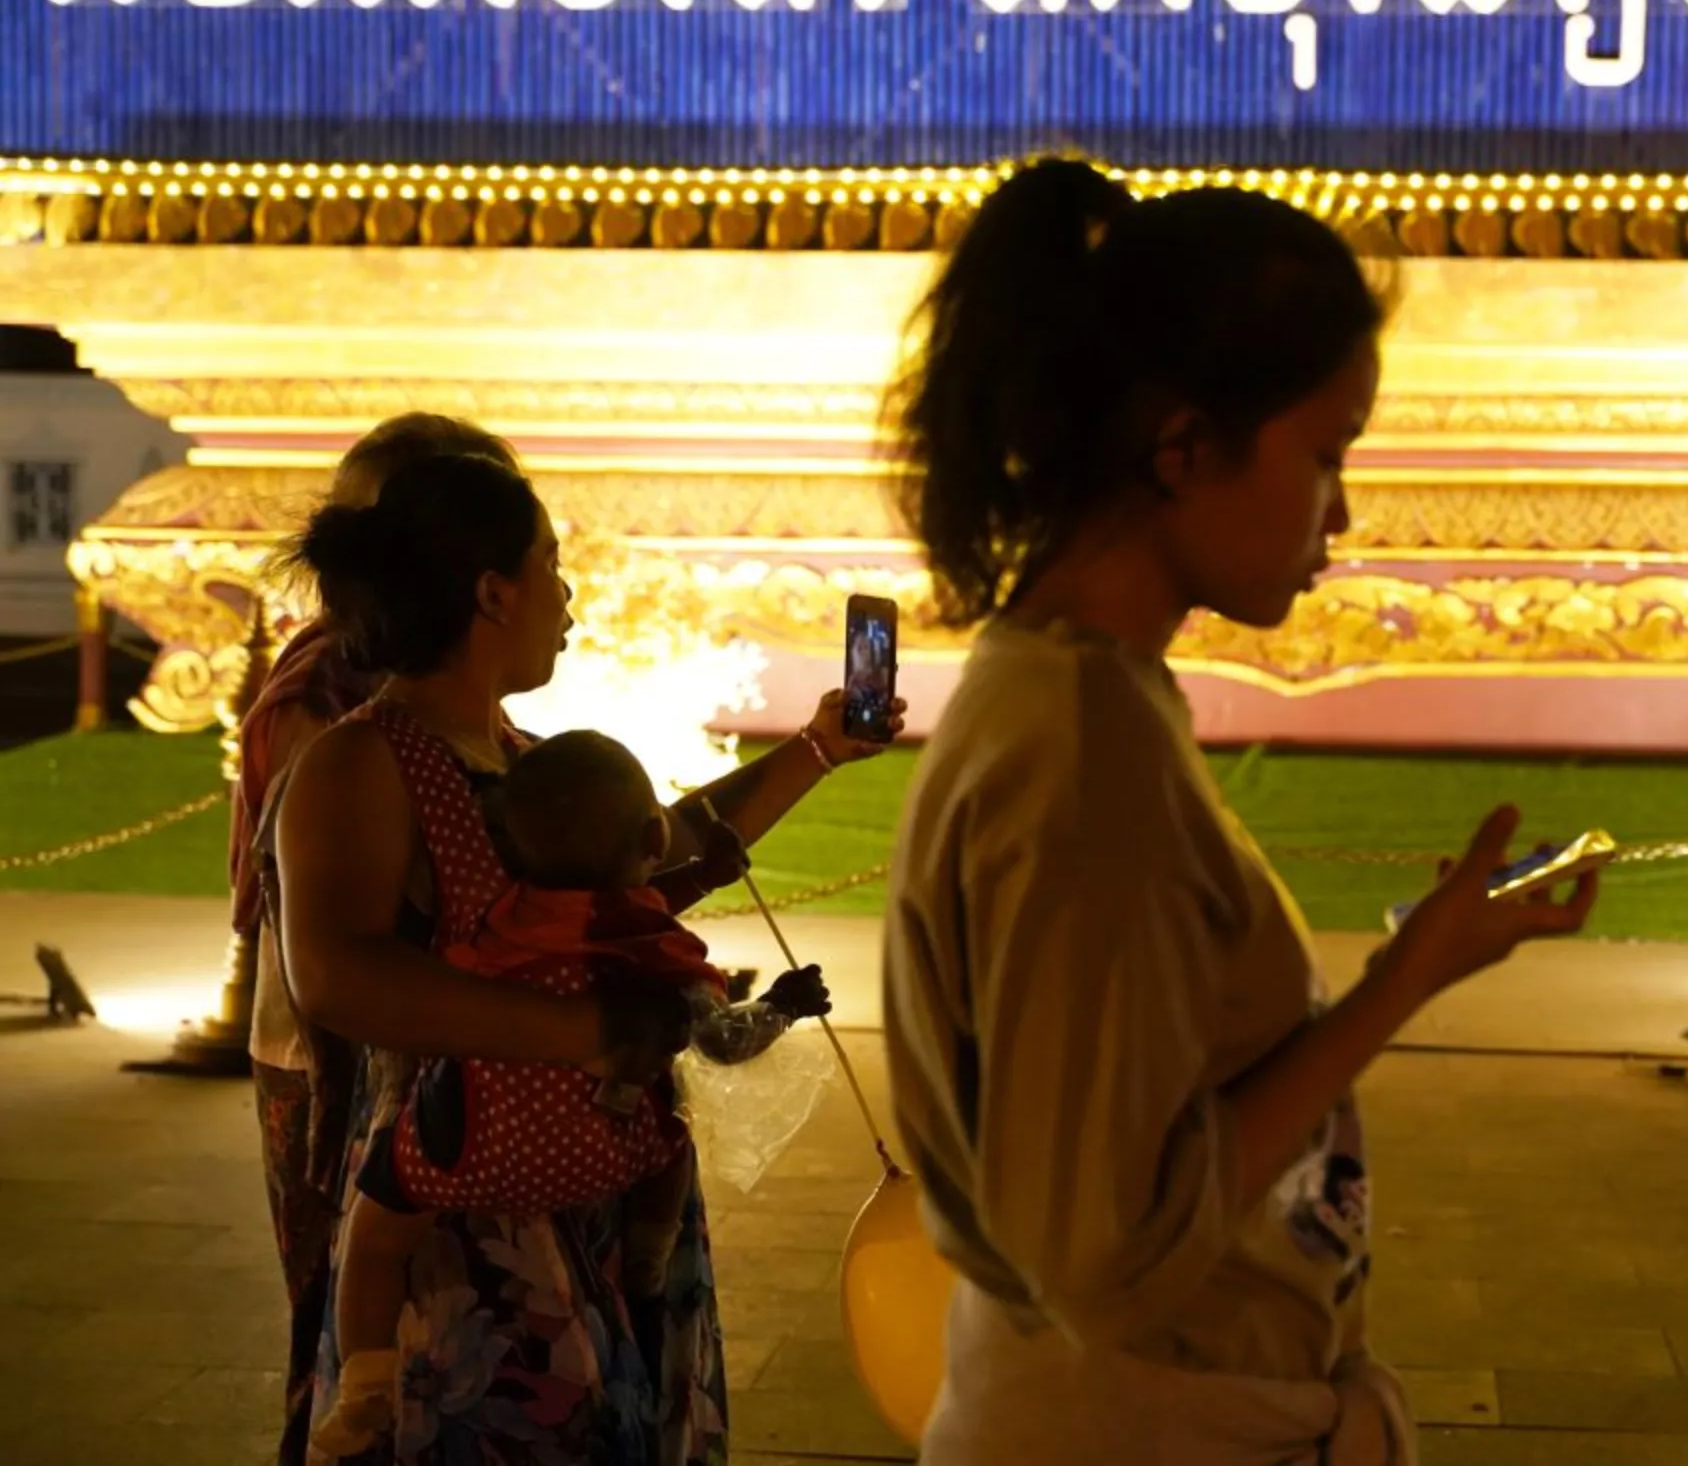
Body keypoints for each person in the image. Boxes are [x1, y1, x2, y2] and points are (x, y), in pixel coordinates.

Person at [878, 158, 1598, 1462]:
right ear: (1185, 444)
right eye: (1326, 454)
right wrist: (1393, 993)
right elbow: (1108, 1260)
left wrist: (1412, 962)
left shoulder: (1068, 695)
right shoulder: (1087, 755)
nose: (1345, 512)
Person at [275, 450, 903, 1463]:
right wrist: (581, 1030)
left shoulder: (521, 758)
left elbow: (656, 853)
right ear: (491, 593)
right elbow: (338, 971)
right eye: (553, 567)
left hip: (593, 1184)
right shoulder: (361, 758)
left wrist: (817, 750)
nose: (567, 598)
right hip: (465, 1191)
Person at [311, 730, 831, 1457]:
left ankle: (364, 1385)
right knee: (671, 1133)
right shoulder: (655, 955)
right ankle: (648, 1257)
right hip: (607, 1157)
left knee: (375, 1239)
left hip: (465, 1148)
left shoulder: (495, 909)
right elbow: (718, 1036)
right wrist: (782, 1004)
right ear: (656, 834)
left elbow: (604, 908)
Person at [236, 413, 517, 1466]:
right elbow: (339, 957)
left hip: (424, 1065)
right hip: (340, 1068)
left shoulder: (450, 696)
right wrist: (569, 1022)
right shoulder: (339, 717)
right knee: (351, 1339)